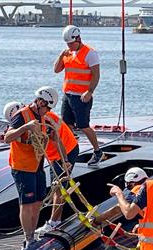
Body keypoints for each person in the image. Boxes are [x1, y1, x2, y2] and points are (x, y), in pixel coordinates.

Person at [4, 89, 55, 250]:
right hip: (22, 166)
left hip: (37, 165)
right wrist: (25, 127)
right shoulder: (22, 115)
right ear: (41, 102)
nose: (48, 112)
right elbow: (7, 137)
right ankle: (28, 239)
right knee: (27, 203)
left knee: (38, 201)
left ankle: (32, 235)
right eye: (48, 108)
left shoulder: (41, 117)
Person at [53, 25, 102, 167]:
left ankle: (97, 151)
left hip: (82, 96)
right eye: (67, 43)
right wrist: (61, 55)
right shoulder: (67, 53)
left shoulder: (90, 53)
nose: (69, 46)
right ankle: (70, 150)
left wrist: (90, 91)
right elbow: (56, 70)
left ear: (78, 39)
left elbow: (96, 75)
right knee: (66, 124)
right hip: (68, 95)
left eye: (71, 43)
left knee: (83, 125)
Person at [35, 92, 81, 234]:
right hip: (56, 154)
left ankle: (54, 222)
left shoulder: (46, 121)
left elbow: (57, 141)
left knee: (59, 187)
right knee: (56, 187)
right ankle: (55, 220)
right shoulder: (34, 117)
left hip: (65, 151)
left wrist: (65, 160)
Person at [95, 167, 148, 231]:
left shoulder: (138, 189)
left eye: (129, 187)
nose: (129, 190)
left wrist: (96, 221)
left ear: (130, 183)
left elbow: (120, 209)